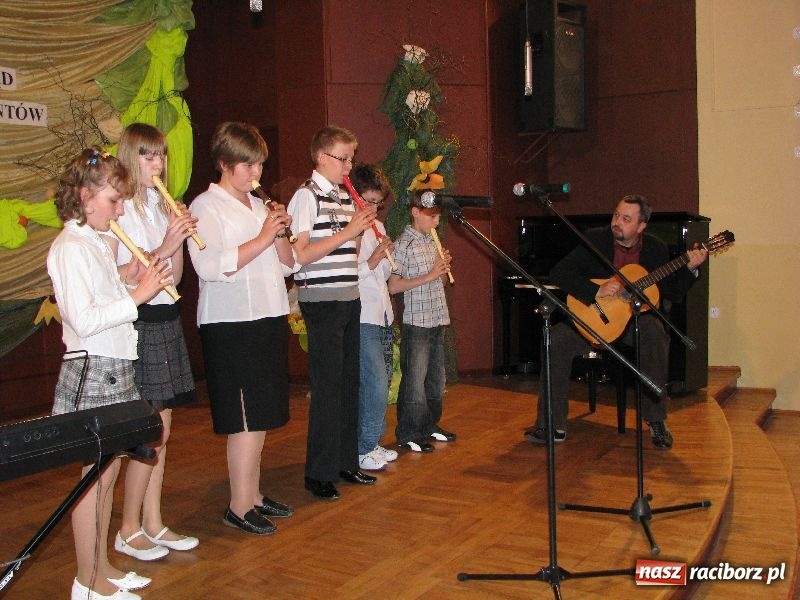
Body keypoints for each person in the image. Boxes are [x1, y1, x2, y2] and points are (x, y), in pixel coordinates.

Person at [48, 147, 173, 600]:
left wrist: (127, 276)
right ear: (85, 196)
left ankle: (100, 566)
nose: (120, 210)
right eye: (114, 200)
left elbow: (102, 295)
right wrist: (138, 295)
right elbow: (83, 319)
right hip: (93, 370)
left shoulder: (95, 242)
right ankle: (87, 580)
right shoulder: (70, 246)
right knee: (92, 483)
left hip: (115, 367)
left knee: (108, 476)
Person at [524, 194, 709, 449]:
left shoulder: (655, 249)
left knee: (655, 333)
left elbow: (672, 292)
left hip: (634, 322)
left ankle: (656, 420)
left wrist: (691, 269)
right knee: (555, 339)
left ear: (641, 226)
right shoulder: (596, 240)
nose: (617, 222)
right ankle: (551, 424)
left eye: (626, 219)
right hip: (593, 317)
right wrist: (595, 290)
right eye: (616, 215)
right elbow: (560, 273)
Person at [188, 122, 296, 535]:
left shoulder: (258, 205)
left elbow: (287, 265)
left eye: (260, 166)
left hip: (267, 315)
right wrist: (265, 236)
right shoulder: (205, 207)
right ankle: (238, 505)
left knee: (261, 415)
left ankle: (253, 495)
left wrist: (280, 233)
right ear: (223, 163)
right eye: (248, 165)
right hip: (231, 323)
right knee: (245, 418)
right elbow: (210, 266)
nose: (256, 174)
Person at [109, 123, 199, 562]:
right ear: (130, 157)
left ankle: (153, 521)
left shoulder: (159, 207)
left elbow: (174, 277)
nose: (157, 163)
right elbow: (125, 274)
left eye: (160, 154)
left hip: (165, 316)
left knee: (163, 428)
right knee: (147, 430)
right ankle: (127, 529)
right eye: (148, 155)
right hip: (137, 321)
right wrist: (166, 242)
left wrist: (177, 236)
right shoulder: (119, 209)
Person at [286, 126, 378, 500]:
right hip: (321, 301)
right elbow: (299, 256)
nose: (349, 166)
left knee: (348, 384)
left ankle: (345, 462)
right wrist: (350, 230)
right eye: (344, 158)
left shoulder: (343, 195)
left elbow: (346, 252)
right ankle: (318, 473)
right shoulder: (305, 197)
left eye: (351, 158)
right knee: (327, 389)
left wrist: (359, 230)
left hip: (349, 297)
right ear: (322, 157)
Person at [388, 189, 456, 453]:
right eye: (432, 216)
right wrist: (430, 274)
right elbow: (393, 286)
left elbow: (440, 282)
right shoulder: (403, 244)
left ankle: (429, 425)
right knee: (414, 381)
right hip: (416, 321)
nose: (436, 222)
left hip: (437, 317)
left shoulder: (432, 241)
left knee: (436, 381)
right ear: (415, 212)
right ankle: (409, 432)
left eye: (438, 217)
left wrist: (442, 269)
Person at [348, 163, 399, 471]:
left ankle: (373, 441)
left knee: (383, 379)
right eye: (368, 201)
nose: (373, 209)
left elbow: (385, 275)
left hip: (382, 313)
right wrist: (372, 260)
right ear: (354, 196)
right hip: (363, 313)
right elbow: (344, 274)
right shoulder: (348, 227)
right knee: (374, 383)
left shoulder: (377, 226)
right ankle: (363, 447)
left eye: (378, 203)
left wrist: (385, 255)